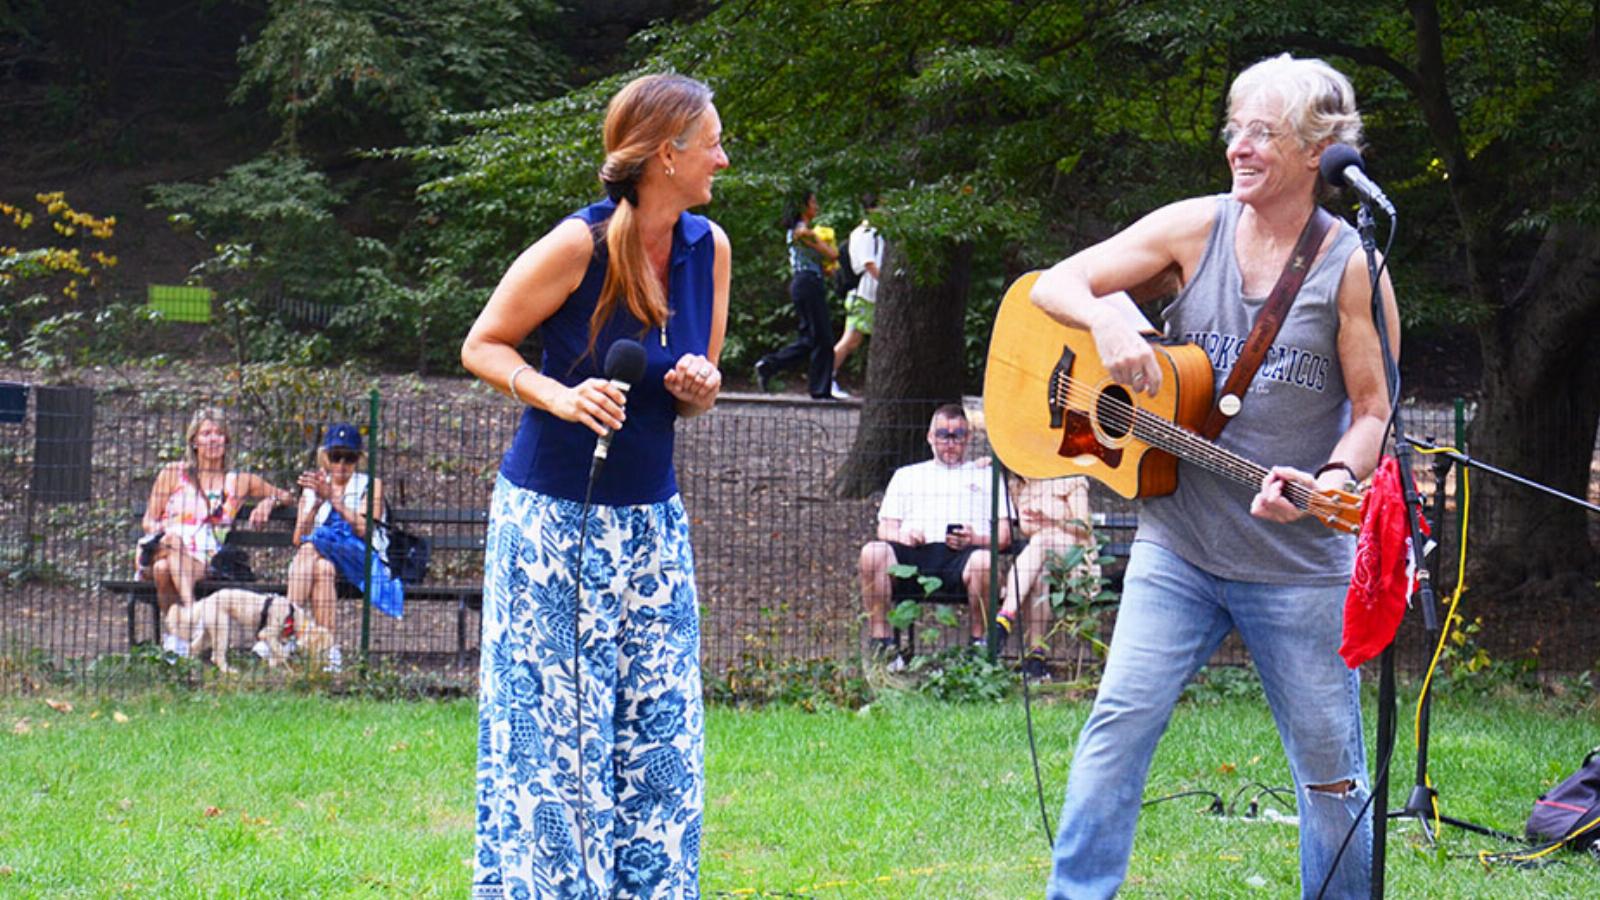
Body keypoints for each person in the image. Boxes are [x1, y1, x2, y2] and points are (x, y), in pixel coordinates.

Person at [1028, 53, 1399, 899]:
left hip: (1298, 568)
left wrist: (1334, 478)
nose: (1240, 146)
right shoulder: (1195, 226)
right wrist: (1106, 318)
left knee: (1331, 774)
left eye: (1263, 132)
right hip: (1180, 547)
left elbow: (1373, 411)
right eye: (1236, 128)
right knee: (1117, 726)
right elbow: (1059, 282)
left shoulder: (1352, 269)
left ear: (1319, 151)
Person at [460, 73, 729, 897]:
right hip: (554, 524)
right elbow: (484, 344)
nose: (724, 156)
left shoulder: (707, 248)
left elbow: (702, 388)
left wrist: (698, 389)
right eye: (711, 142)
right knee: (557, 742)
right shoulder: (578, 244)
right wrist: (560, 395)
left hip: (653, 522)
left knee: (659, 737)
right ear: (665, 154)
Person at [859, 404, 1012, 660]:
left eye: (958, 435)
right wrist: (903, 536)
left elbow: (1005, 537)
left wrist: (974, 538)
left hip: (964, 560)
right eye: (943, 434)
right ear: (930, 437)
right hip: (913, 555)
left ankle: (979, 644)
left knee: (986, 562)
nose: (950, 442)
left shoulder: (987, 477)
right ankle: (882, 644)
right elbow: (885, 527)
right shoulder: (907, 475)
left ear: (969, 438)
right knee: (872, 551)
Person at [138, 406, 292, 657]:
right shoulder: (172, 473)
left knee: (162, 571)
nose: (212, 439)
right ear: (194, 441)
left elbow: (285, 495)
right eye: (206, 433)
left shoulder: (239, 481)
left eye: (219, 433)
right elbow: (148, 520)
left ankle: (177, 635)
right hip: (164, 547)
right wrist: (163, 532)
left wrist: (269, 502)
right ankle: (192, 617)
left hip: (204, 558)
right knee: (168, 550)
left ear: (226, 440)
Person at [286, 422, 399, 673]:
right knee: (323, 569)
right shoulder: (314, 484)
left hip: (358, 554)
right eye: (336, 457)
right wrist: (315, 504)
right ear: (325, 456)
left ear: (358, 459)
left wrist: (333, 499)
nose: (341, 465)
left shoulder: (371, 485)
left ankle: (285, 624)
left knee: (311, 546)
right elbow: (298, 536)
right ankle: (329, 651)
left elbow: (364, 529)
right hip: (324, 558)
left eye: (349, 458)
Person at [994, 474, 1099, 679]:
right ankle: (1036, 657)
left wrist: (1052, 521)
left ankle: (1005, 617)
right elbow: (1027, 529)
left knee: (1042, 541)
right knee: (1039, 573)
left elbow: (1084, 528)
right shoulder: (1018, 486)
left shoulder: (1071, 479)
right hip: (1041, 561)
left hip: (1076, 559)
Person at [753, 189, 844, 400]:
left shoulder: (802, 232)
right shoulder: (803, 232)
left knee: (811, 338)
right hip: (807, 283)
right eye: (813, 202)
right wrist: (826, 246)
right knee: (822, 339)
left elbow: (823, 261)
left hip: (806, 283)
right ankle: (820, 390)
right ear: (803, 206)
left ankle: (769, 365)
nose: (817, 206)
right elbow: (833, 254)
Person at [831, 193, 884, 389]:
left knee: (854, 341)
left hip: (869, 295)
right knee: (850, 340)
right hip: (863, 295)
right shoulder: (866, 233)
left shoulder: (875, 232)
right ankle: (825, 378)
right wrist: (887, 284)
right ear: (872, 209)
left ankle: (827, 378)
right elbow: (868, 263)